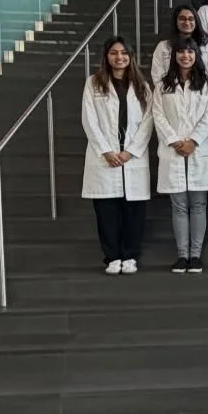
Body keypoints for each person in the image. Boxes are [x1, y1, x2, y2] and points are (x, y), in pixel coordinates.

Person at [81, 35, 153, 274]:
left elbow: (148, 121)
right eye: (114, 53)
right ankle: (112, 256)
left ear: (130, 56)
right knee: (106, 209)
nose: (119, 57)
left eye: (124, 53)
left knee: (134, 210)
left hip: (132, 157)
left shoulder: (142, 85)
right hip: (105, 156)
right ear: (106, 56)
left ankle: (130, 255)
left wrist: (130, 151)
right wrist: (106, 150)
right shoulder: (93, 83)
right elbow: (89, 120)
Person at [153, 35, 208, 272]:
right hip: (173, 150)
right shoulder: (162, 85)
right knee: (179, 205)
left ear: (196, 55)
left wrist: (194, 141)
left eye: (190, 52)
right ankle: (182, 255)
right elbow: (157, 115)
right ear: (174, 56)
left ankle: (196, 255)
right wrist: (174, 140)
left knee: (199, 204)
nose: (186, 55)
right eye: (181, 51)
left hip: (199, 149)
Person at [149, 1, 200, 89]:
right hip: (169, 93)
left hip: (198, 93)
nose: (187, 22)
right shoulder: (163, 46)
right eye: (182, 18)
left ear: (196, 22)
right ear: (175, 21)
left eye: (191, 19)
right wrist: (173, 93)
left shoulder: (205, 46)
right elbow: (157, 74)